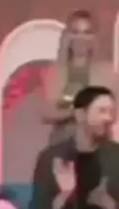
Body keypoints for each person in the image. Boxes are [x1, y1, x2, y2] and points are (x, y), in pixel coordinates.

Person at [41, 9, 117, 145]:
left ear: (94, 38)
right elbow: (47, 112)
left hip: (98, 142)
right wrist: (75, 113)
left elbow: (114, 111)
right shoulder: (56, 72)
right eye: (75, 32)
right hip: (64, 142)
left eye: (87, 33)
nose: (81, 38)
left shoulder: (107, 71)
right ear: (68, 36)